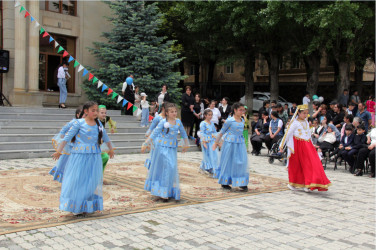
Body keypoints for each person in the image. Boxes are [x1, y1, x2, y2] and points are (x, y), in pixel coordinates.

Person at [51, 101, 114, 216]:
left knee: (91, 180)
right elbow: (67, 137)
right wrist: (59, 151)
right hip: (79, 156)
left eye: (97, 110)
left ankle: (87, 204)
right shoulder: (78, 123)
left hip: (94, 156)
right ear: (86, 111)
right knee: (78, 179)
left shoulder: (99, 124)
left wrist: (111, 149)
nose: (95, 113)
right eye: (93, 110)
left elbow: (106, 137)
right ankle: (76, 205)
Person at [142, 103, 189, 202]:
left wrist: (186, 144)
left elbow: (183, 133)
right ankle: (163, 193)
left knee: (171, 168)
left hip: (172, 148)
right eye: (172, 112)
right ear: (167, 113)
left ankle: (167, 190)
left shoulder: (178, 122)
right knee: (167, 167)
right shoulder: (163, 121)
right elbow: (155, 133)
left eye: (175, 111)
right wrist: (146, 143)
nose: (174, 113)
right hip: (162, 148)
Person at [279, 104, 331, 192]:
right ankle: (294, 183)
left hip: (307, 145)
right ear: (298, 113)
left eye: (306, 113)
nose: (305, 115)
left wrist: (312, 143)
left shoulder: (306, 122)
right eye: (303, 113)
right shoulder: (294, 123)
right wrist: (281, 145)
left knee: (311, 164)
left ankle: (309, 183)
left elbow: (308, 134)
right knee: (296, 165)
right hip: (298, 146)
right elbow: (287, 134)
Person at [212, 102, 249, 191]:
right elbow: (221, 132)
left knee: (241, 162)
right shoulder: (229, 120)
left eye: (243, 110)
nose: (242, 112)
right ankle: (225, 182)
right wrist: (216, 143)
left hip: (240, 144)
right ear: (235, 110)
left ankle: (241, 182)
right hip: (230, 144)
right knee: (228, 162)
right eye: (240, 110)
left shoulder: (242, 120)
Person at [50, 107, 82, 182]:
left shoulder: (85, 123)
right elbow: (64, 129)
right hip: (69, 145)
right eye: (82, 114)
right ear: (77, 115)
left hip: (78, 146)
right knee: (64, 160)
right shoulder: (74, 122)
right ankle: (62, 176)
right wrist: (62, 136)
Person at [144, 102, 167, 170]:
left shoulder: (168, 118)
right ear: (163, 108)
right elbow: (151, 128)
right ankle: (152, 168)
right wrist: (148, 137)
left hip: (165, 139)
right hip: (157, 139)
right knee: (155, 155)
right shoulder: (157, 118)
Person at [199, 109, 220, 177]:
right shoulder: (203, 123)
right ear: (205, 115)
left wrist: (217, 141)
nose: (210, 116)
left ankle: (208, 169)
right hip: (206, 141)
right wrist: (204, 142)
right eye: (209, 115)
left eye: (211, 115)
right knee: (207, 155)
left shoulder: (212, 123)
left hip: (212, 141)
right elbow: (202, 133)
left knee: (214, 155)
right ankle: (208, 169)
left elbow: (214, 132)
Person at [98, 105, 117, 175]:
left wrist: (112, 128)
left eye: (105, 113)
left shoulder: (106, 118)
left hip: (102, 138)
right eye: (102, 113)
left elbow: (111, 122)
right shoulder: (94, 121)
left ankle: (100, 174)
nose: (104, 114)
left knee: (105, 157)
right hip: (96, 140)